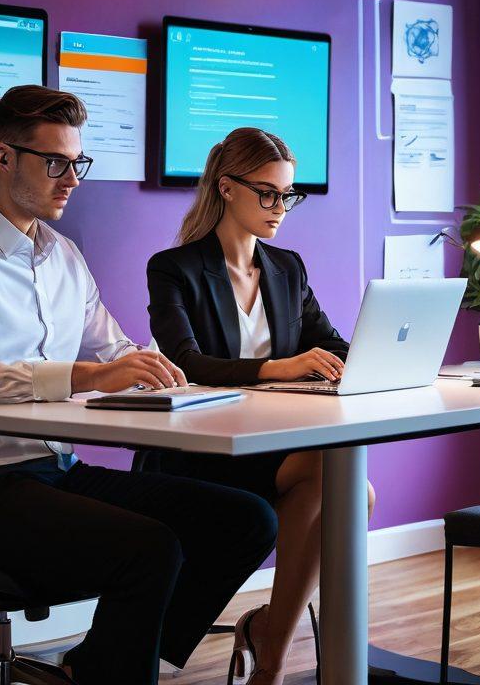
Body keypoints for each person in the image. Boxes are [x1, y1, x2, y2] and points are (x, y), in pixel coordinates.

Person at [0, 87, 278, 685]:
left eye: (78, 163)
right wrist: (88, 376)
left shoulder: (64, 256)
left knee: (248, 518)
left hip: (55, 471)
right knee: (150, 549)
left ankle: (101, 666)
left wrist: (163, 376)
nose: (72, 178)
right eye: (55, 162)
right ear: (3, 157)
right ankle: (109, 670)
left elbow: (115, 348)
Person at [146, 127, 376, 685]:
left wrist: (362, 361)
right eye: (267, 193)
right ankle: (269, 643)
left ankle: (272, 644)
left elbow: (334, 342)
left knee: (348, 487)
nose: (281, 208)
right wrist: (279, 368)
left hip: (270, 443)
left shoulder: (287, 268)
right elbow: (187, 363)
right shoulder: (174, 269)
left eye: (288, 195)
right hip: (203, 448)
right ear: (226, 188)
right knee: (345, 482)